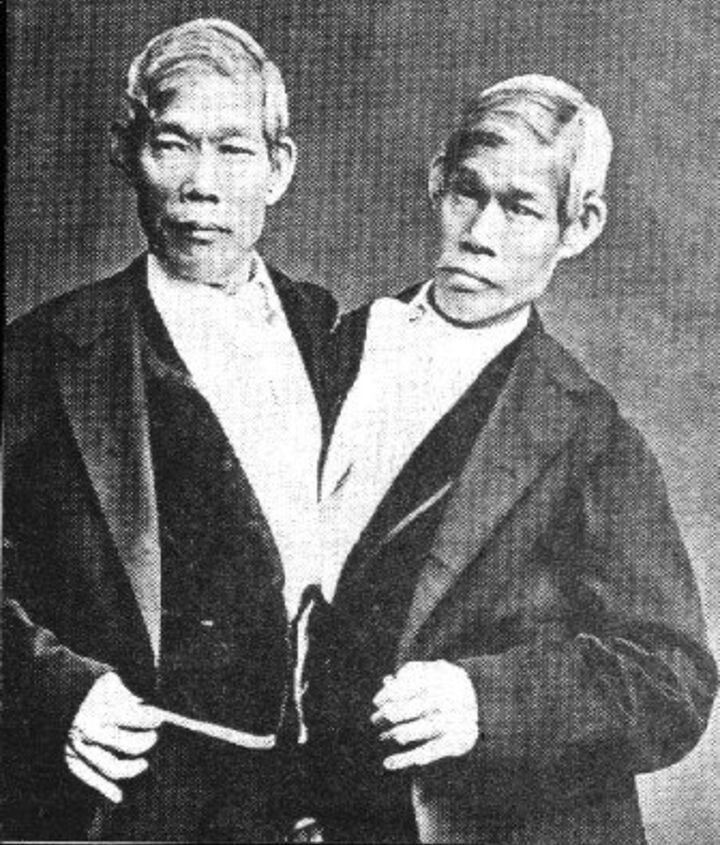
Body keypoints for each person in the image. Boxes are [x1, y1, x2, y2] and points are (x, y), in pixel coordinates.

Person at [298, 75, 718, 843]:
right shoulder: (329, 349)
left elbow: (671, 678)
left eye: (521, 207)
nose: (480, 232)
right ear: (437, 180)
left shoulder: (593, 438)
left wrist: (484, 702)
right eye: (469, 192)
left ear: (580, 225)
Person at [3, 18, 336, 842]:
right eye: (172, 145)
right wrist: (60, 691)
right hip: (132, 806)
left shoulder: (329, 333)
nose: (200, 184)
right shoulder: (43, 354)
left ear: (279, 169)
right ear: (128, 155)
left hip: (311, 806)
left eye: (233, 150)